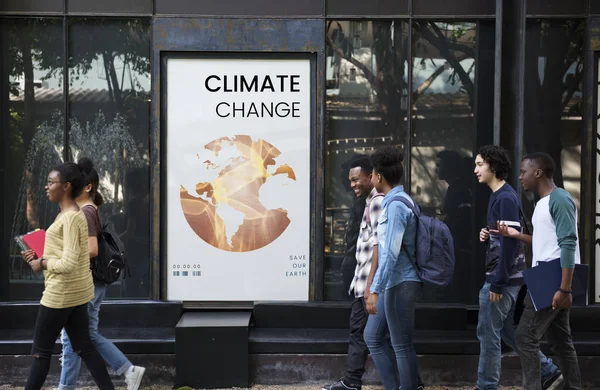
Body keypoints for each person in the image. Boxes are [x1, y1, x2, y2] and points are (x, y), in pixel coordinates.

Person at [473, 146, 561, 390]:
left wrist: (498, 282)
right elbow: (505, 236)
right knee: (506, 332)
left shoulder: (505, 197)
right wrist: (487, 233)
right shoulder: (500, 196)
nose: (476, 170)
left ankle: (486, 386)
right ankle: (549, 371)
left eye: (480, 164)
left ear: (493, 166)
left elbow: (512, 244)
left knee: (488, 336)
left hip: (503, 279)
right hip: (506, 278)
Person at [21, 163, 115, 390]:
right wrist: (39, 254)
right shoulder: (68, 214)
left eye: (51, 182)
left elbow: (70, 262)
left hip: (60, 295)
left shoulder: (72, 217)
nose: (46, 187)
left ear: (66, 187)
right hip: (75, 294)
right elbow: (68, 253)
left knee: (40, 354)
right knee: (86, 348)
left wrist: (41, 263)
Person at [57, 158, 146, 390]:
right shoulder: (91, 209)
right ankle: (129, 369)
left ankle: (65, 387)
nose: (69, 188)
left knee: (71, 338)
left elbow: (93, 249)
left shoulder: (85, 212)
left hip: (86, 283)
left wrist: (61, 256)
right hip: (94, 283)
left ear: (87, 187)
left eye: (73, 184)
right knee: (88, 335)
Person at [496, 152, 582, 390]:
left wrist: (564, 289)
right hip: (548, 275)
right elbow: (546, 240)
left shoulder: (560, 199)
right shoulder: (543, 203)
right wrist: (516, 235)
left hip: (552, 276)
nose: (520, 177)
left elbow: (568, 243)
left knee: (525, 336)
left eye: (524, 171)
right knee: (561, 340)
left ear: (538, 172)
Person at [364, 146, 423, 390]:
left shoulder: (396, 206)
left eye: (372, 174)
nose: (371, 179)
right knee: (373, 336)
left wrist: (374, 289)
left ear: (379, 177)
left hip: (400, 281)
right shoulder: (399, 200)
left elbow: (389, 254)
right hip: (395, 281)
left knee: (401, 344)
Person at [322, 156, 383, 390]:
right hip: (363, 282)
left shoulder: (376, 203)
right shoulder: (365, 203)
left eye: (357, 179)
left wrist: (370, 287)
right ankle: (353, 380)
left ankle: (352, 381)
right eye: (350, 181)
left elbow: (379, 246)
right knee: (377, 335)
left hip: (370, 284)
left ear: (372, 176)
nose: (353, 185)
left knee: (364, 333)